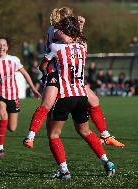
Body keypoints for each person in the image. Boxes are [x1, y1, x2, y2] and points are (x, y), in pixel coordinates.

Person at [23, 7, 125, 149]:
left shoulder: (63, 30)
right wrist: (80, 28)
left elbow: (77, 42)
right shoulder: (56, 29)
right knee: (47, 105)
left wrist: (80, 29)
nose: (73, 20)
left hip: (67, 71)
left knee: (94, 100)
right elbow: (69, 40)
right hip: (55, 71)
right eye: (70, 18)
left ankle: (106, 135)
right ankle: (31, 136)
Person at [42, 17, 115, 179]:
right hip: (81, 95)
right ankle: (106, 161)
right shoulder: (82, 46)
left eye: (60, 29)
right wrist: (80, 28)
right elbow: (77, 40)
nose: (57, 30)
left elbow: (43, 66)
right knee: (85, 131)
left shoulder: (56, 47)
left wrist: (49, 76)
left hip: (63, 94)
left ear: (64, 31)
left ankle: (64, 170)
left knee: (53, 134)